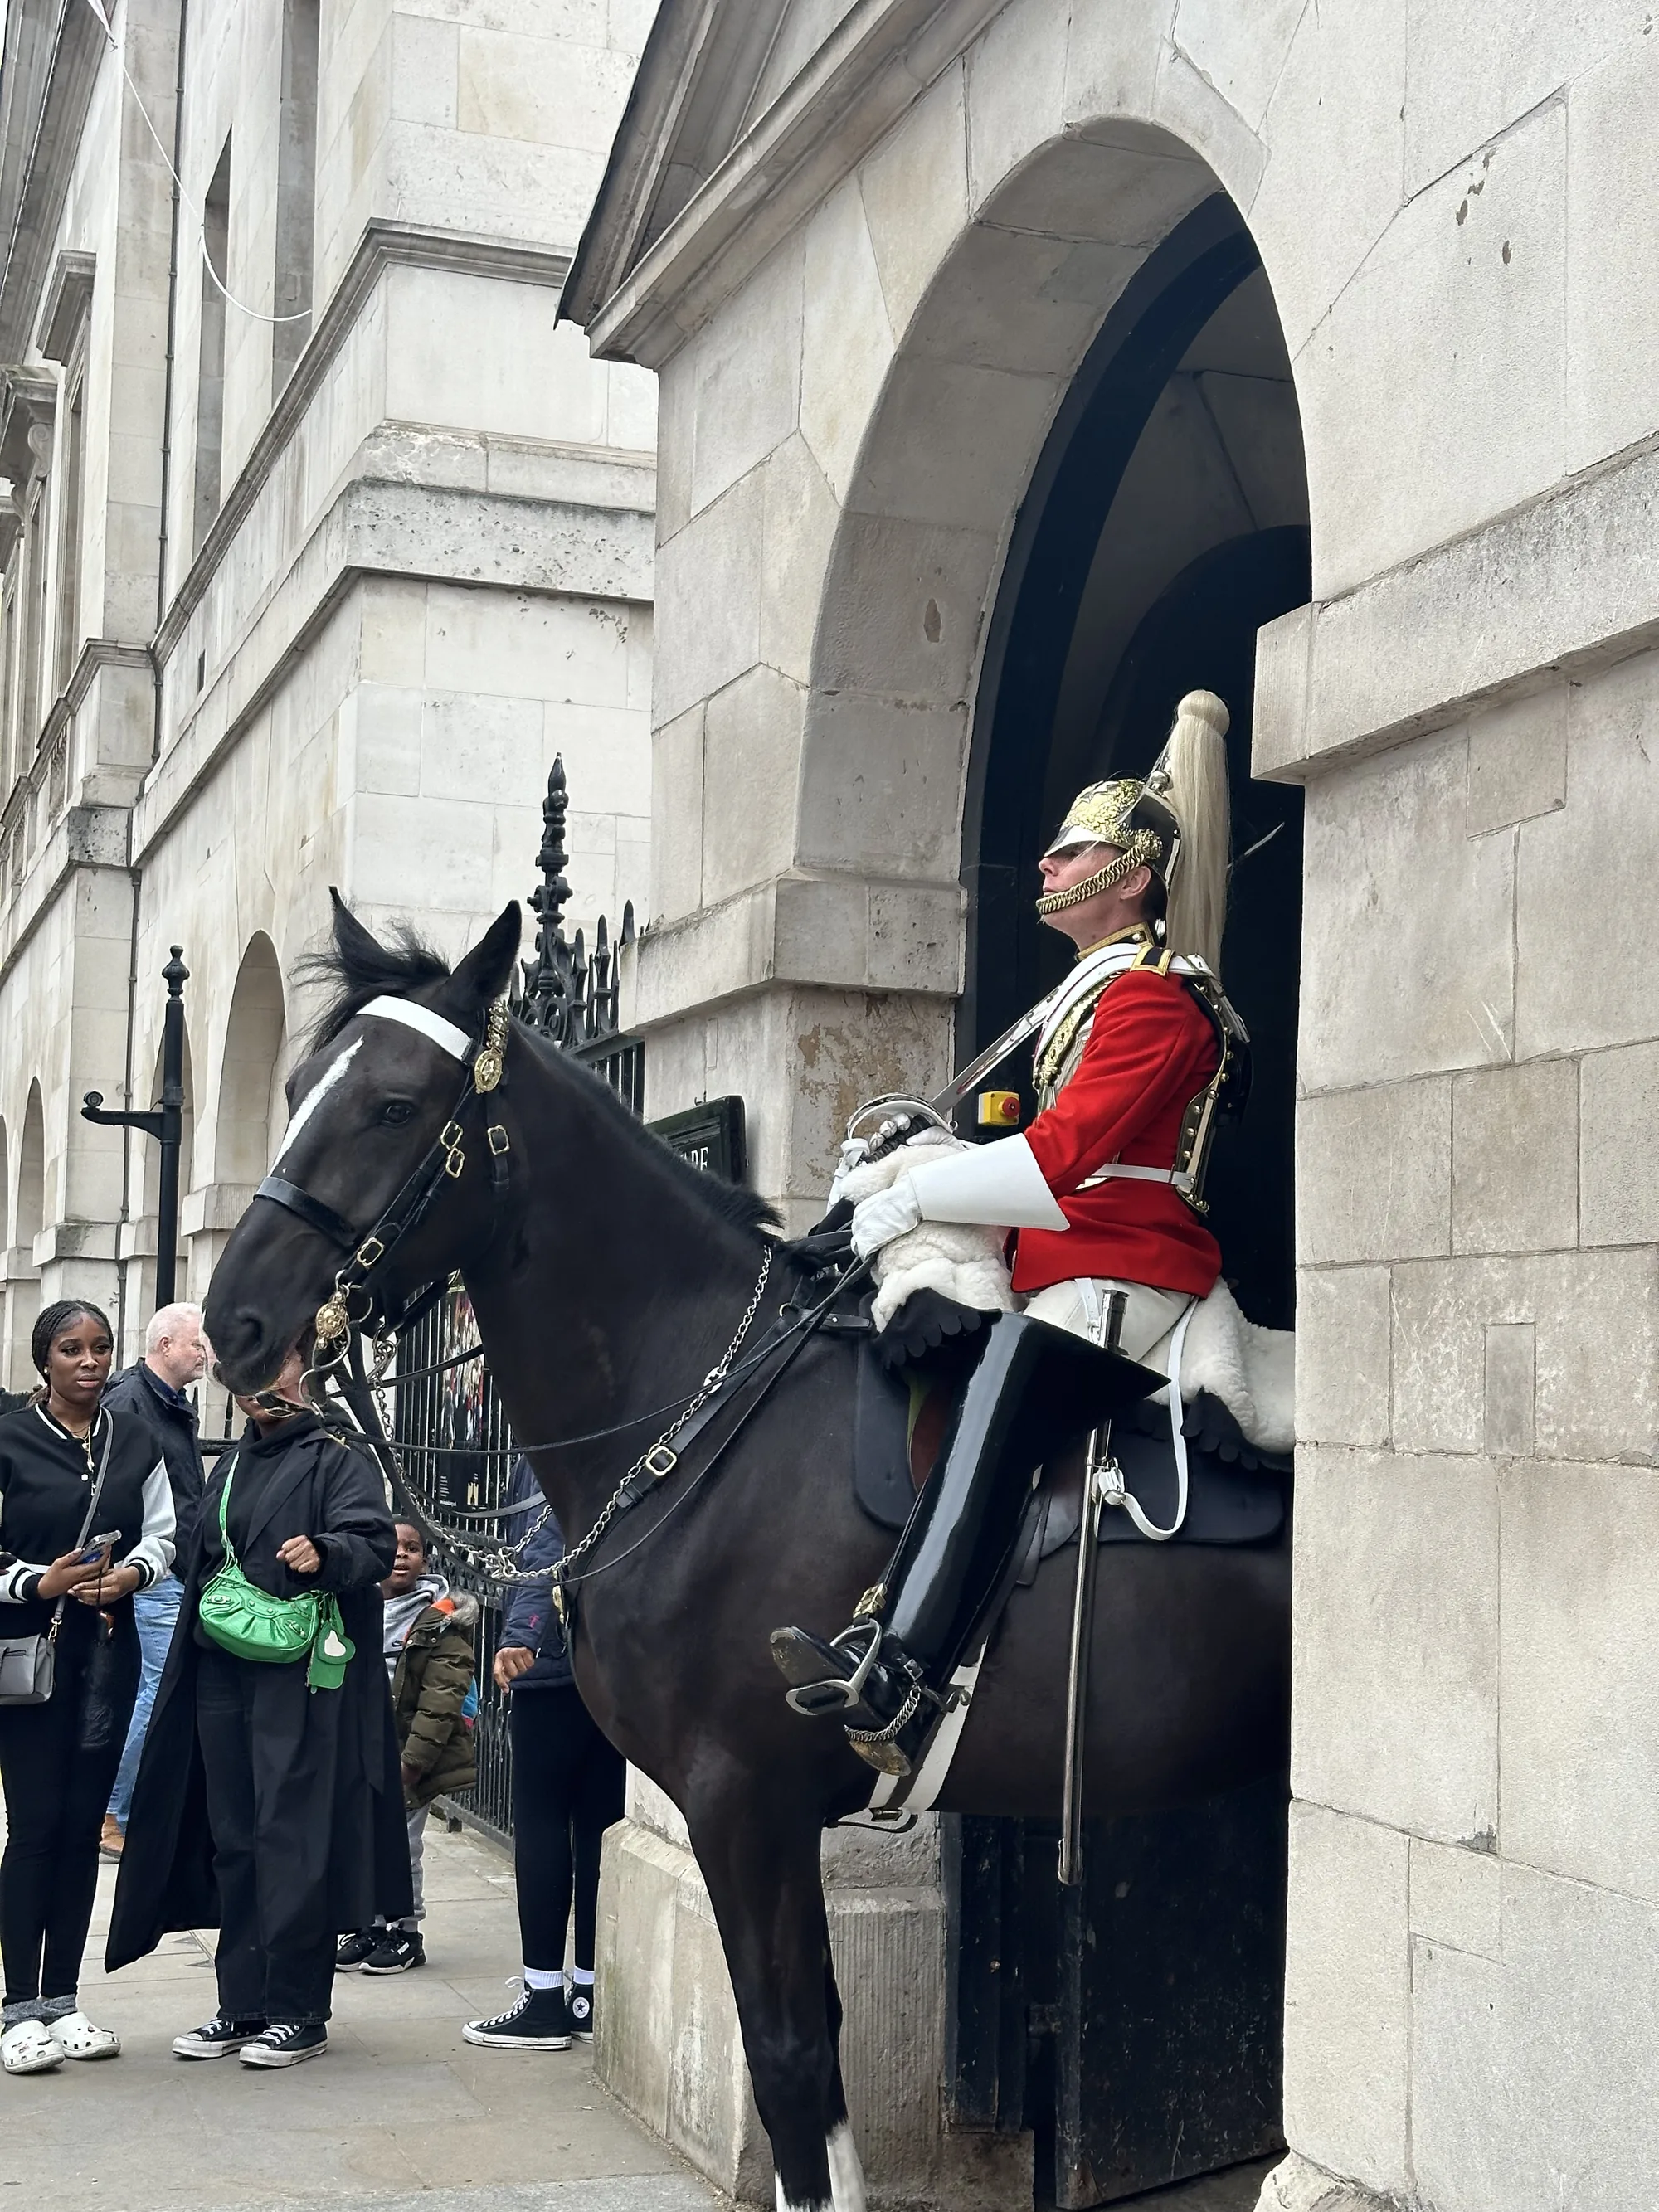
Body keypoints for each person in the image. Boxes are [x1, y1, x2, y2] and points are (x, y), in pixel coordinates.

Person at [771, 691, 1251, 1777]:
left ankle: (902, 1676)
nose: (1044, 862)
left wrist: (918, 1200)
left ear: (1132, 876)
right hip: (1065, 1260)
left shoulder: (1156, 1001)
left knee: (1000, 1386)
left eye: (1071, 849)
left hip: (1123, 1274)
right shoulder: (1096, 995)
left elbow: (1060, 1156)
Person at [106, 1346, 411, 2069]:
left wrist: (326, 1552)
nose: (261, 1384)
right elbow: (199, 1553)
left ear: (307, 1369)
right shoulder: (233, 1463)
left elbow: (374, 1545)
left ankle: (299, 2009)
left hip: (298, 1678)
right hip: (222, 1670)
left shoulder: (337, 1457)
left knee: (290, 1834)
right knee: (235, 1837)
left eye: (277, 1362)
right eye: (248, 1371)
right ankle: (241, 2004)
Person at [0, 1300, 175, 2076]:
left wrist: (132, 1573)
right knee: (35, 1828)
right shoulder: (8, 1439)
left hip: (107, 1654)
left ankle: (63, 2000)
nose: (90, 1360)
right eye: (72, 1348)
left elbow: (165, 1532)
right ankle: (18, 2009)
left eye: (101, 1346)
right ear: (45, 1359)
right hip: (28, 1662)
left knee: (80, 1830)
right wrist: (39, 1582)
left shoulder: (136, 1438)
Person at [463, 1458, 624, 2051]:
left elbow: (546, 1546)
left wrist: (522, 1633)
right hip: (611, 1667)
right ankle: (587, 1992)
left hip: (553, 1662)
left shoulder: (550, 1444)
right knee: (598, 1827)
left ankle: (544, 1998)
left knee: (541, 1822)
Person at [336, 1520, 478, 1976]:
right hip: (363, 1749)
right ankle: (371, 1926)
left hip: (407, 1755)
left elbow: (441, 1699)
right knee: (365, 1841)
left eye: (412, 1548)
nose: (401, 1555)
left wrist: (414, 1761)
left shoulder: (439, 1621)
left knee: (402, 1846)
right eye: (393, 1547)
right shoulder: (355, 1606)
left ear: (425, 1561)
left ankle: (406, 1932)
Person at [101, 1301, 208, 1860]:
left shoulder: (172, 1401)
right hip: (152, 1572)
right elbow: (112, 1491)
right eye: (197, 1343)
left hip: (176, 1566)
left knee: (163, 1690)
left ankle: (135, 1807)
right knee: (157, 1691)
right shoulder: (129, 1400)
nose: (206, 1353)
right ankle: (112, 1813)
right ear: (165, 1345)